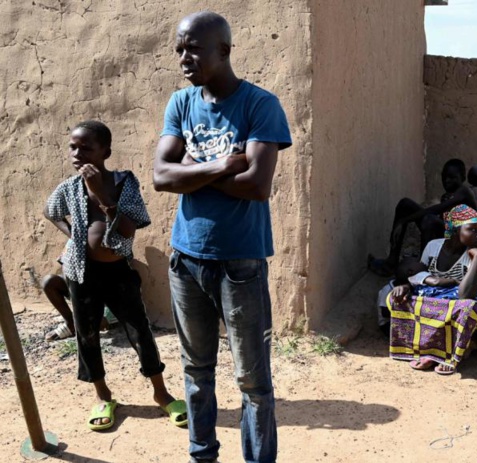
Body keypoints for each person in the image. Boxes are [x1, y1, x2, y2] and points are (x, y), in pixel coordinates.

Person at [152, 11, 292, 463]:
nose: (183, 58)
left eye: (192, 48)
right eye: (179, 49)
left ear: (224, 50)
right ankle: (202, 455)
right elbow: (160, 176)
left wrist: (191, 169)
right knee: (196, 372)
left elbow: (257, 186)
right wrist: (220, 167)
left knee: (253, 382)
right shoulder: (181, 103)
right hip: (186, 259)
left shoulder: (259, 105)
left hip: (241, 264)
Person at [44, 120, 185, 431]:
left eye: (86, 147)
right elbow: (51, 211)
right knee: (87, 334)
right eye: (73, 147)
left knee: (140, 331)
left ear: (105, 151)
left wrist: (101, 196)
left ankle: (161, 394)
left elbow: (129, 228)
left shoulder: (123, 183)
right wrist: (73, 237)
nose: (77, 153)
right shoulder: (68, 187)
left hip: (118, 271)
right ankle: (104, 396)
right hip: (82, 273)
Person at [388, 205, 477, 375]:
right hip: (435, 299)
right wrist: (406, 286)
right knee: (394, 295)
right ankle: (426, 349)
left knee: (466, 309)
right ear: (455, 231)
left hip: (460, 302)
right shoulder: (433, 247)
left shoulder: (476, 257)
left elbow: (465, 295)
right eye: (472, 229)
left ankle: (448, 356)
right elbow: (420, 276)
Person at [368, 161, 477, 277]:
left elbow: (436, 209)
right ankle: (391, 262)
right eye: (444, 177)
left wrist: (404, 220)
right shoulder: (448, 195)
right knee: (405, 204)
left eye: (452, 177)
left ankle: (423, 268)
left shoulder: (464, 191)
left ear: (463, 178)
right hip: (446, 234)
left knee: (430, 219)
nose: (446, 181)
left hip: (460, 238)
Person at [42, 271, 116, 341]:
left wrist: (106, 315)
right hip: (85, 289)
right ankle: (71, 324)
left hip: (113, 295)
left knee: (94, 324)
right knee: (49, 282)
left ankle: (100, 319)